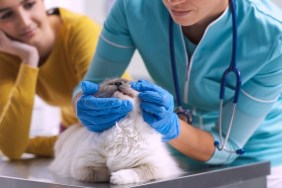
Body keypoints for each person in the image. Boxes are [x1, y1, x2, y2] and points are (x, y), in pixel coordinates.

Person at [74, 0, 282, 187]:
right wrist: (83, 106)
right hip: (171, 157)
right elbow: (92, 85)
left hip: (253, 161)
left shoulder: (273, 35)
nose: (173, 1)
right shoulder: (133, 7)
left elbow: (227, 146)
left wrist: (169, 124)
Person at [0, 0, 130, 160]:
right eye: (6, 15)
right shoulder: (8, 55)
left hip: (121, 132)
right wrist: (29, 59)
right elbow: (12, 148)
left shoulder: (79, 31)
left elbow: (104, 121)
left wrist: (29, 144)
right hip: (75, 137)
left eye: (29, 5)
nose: (25, 22)